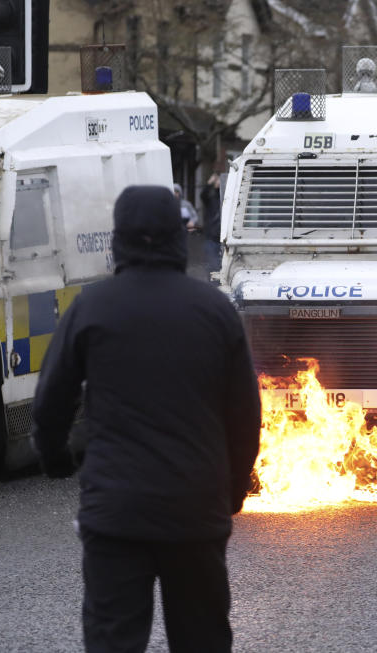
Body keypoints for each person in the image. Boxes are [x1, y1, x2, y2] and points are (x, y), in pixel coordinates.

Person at [31, 185, 262, 652]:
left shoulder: (92, 307)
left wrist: (55, 458)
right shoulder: (215, 311)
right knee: (202, 637)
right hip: (196, 508)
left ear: (119, 238)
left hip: (116, 510)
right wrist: (233, 490)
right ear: (180, 233)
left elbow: (51, 399)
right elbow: (244, 415)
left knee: (113, 637)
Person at [201, 172, 223, 281]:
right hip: (211, 238)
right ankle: (211, 286)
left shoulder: (225, 199)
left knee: (221, 265)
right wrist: (210, 183)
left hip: (222, 239)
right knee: (211, 265)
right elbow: (203, 195)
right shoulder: (211, 199)